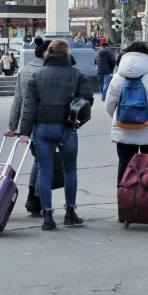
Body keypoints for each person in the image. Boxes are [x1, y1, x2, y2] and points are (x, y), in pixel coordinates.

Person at [19, 39, 94, 231]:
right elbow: (88, 98)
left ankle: (47, 216)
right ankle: (70, 212)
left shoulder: (37, 75)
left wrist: (25, 132)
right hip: (67, 127)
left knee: (45, 172)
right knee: (70, 170)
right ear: (67, 52)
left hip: (42, 128)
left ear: (48, 53)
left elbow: (29, 106)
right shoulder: (75, 74)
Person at [105, 41, 148, 186]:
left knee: (125, 166)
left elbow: (109, 104)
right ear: (147, 56)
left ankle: (124, 203)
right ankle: (146, 204)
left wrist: (121, 117)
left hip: (123, 129)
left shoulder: (118, 76)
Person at [8, 36, 49, 216]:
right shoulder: (48, 71)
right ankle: (37, 198)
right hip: (46, 122)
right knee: (43, 162)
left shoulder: (24, 70)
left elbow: (17, 101)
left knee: (38, 161)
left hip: (27, 123)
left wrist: (12, 126)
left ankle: (33, 195)